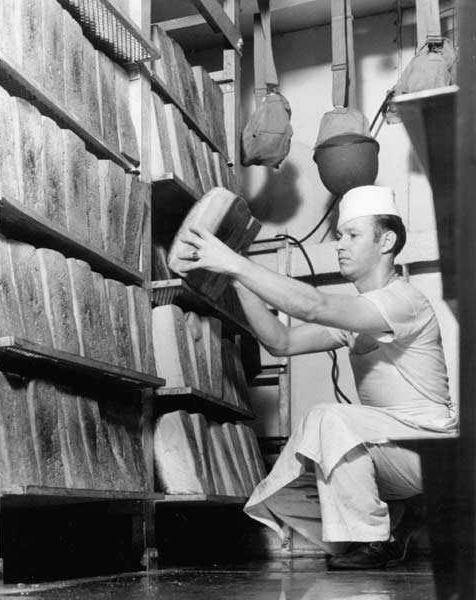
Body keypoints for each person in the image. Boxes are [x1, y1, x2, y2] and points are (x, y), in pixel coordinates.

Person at [175, 184, 458, 570]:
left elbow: (312, 305)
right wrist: (239, 280)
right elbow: (281, 341)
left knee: (327, 419)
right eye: (340, 235)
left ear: (386, 241)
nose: (340, 244)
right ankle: (393, 526)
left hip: (433, 448)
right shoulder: (359, 318)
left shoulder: (403, 300)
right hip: (393, 450)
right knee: (299, 469)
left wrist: (235, 263)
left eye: (352, 235)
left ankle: (375, 542)